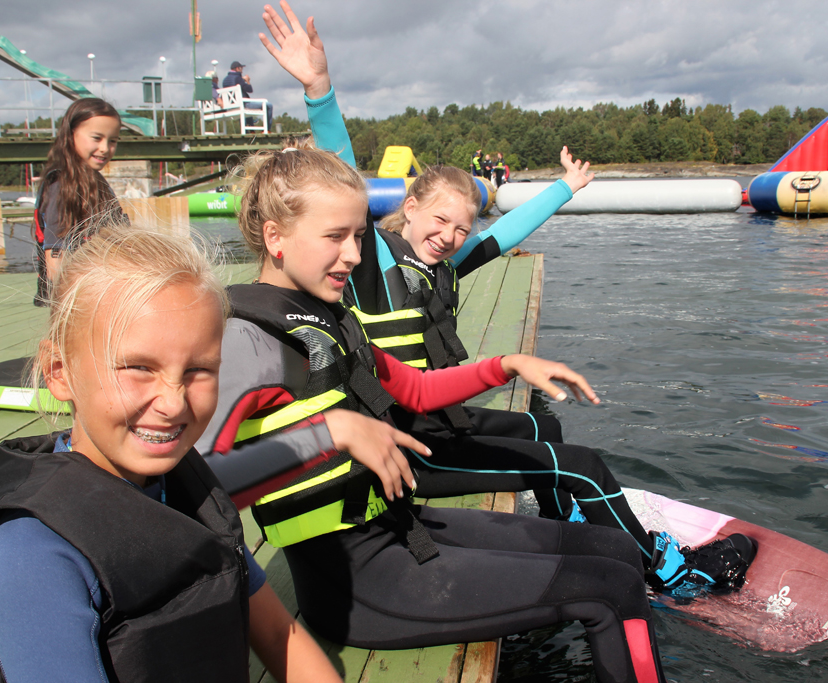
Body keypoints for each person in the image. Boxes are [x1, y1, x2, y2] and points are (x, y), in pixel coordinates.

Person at [257, 0, 757, 596]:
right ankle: (668, 574)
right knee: (581, 464)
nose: (449, 236)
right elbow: (347, 184)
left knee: (542, 428)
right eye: (438, 220)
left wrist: (564, 188)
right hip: (410, 435)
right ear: (408, 209)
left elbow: (505, 234)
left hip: (434, 414)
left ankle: (568, 525)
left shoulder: (444, 265)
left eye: (460, 228)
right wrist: (319, 90)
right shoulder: (370, 261)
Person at [197, 141, 667, 683]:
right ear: (275, 236)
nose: (354, 254)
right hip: (355, 584)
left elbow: (416, 390)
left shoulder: (331, 319)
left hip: (399, 528)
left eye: (358, 236)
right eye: (335, 237)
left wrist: (508, 365)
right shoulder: (246, 339)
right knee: (613, 589)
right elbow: (197, 491)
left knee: (614, 549)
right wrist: (325, 434)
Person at [0, 224, 340, 683]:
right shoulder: (34, 561)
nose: (173, 402)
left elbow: (277, 634)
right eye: (138, 367)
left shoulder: (187, 489)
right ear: (60, 371)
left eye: (198, 369)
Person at [32, 97, 126, 306]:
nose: (105, 148)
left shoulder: (95, 181)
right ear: (71, 134)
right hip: (75, 297)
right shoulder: (61, 185)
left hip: (102, 289)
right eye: (97, 138)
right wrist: (64, 301)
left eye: (112, 141)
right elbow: (55, 252)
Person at [223, 60, 275, 127]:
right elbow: (250, 90)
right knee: (269, 105)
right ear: (237, 68)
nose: (242, 71)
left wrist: (242, 80)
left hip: (231, 106)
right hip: (242, 105)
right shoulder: (238, 78)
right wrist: (247, 81)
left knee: (246, 105)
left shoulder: (225, 80)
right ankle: (267, 129)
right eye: (241, 68)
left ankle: (251, 130)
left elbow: (235, 83)